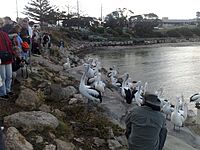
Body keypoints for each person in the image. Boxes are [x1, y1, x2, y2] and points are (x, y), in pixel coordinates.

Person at [0, 18, 15, 99]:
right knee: (2, 77)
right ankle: (2, 93)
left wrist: (12, 53)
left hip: (7, 56)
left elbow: (9, 44)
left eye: (1, 23)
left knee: (9, 75)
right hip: (1, 58)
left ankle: (7, 90)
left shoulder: (4, 33)